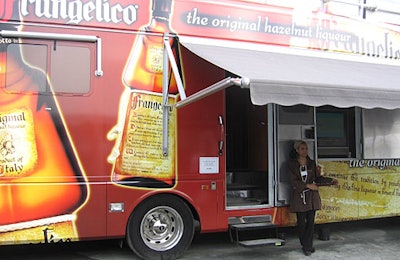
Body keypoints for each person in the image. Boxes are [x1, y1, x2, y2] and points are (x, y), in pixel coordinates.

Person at [289, 140, 335, 256]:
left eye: (306, 149)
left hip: (311, 197)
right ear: (297, 150)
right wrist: (307, 185)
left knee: (310, 222)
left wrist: (330, 181)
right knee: (301, 223)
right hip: (300, 197)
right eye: (302, 149)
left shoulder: (311, 163)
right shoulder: (292, 164)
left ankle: (307, 247)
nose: (305, 151)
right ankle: (306, 245)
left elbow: (318, 178)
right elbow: (293, 181)